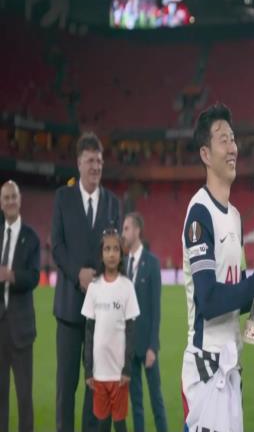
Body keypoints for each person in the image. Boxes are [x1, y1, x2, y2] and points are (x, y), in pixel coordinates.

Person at [181, 103, 254, 432]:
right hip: (206, 364)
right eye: (223, 139)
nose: (232, 147)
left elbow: (236, 298)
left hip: (231, 363)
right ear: (205, 154)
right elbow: (209, 300)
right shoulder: (200, 213)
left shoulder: (236, 217)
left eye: (233, 139)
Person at [52, 132, 121, 432]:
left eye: (99, 161)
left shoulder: (113, 203)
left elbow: (116, 251)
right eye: (90, 160)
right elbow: (57, 246)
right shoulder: (62, 198)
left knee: (96, 387)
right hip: (69, 310)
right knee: (66, 388)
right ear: (79, 163)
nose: (96, 166)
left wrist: (102, 275)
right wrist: (76, 273)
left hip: (101, 313)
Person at [82, 229, 140, 432]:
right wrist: (88, 369)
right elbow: (89, 332)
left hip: (118, 373)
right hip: (99, 372)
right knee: (102, 424)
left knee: (120, 423)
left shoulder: (127, 287)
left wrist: (127, 369)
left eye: (116, 249)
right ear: (101, 254)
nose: (111, 254)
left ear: (121, 255)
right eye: (107, 249)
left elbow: (131, 332)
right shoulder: (94, 287)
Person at [121, 212, 169, 432]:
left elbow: (155, 309)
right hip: (129, 345)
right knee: (136, 403)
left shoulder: (152, 263)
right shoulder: (123, 264)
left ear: (137, 230)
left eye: (126, 228)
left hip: (147, 345)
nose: (123, 233)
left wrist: (153, 346)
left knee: (156, 399)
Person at [0, 181, 40, 432]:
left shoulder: (31, 237)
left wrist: (11, 275)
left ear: (20, 199)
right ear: (1, 203)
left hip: (21, 329)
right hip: (0, 328)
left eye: (13, 196)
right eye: (6, 198)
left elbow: (34, 277)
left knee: (24, 395)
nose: (10, 201)